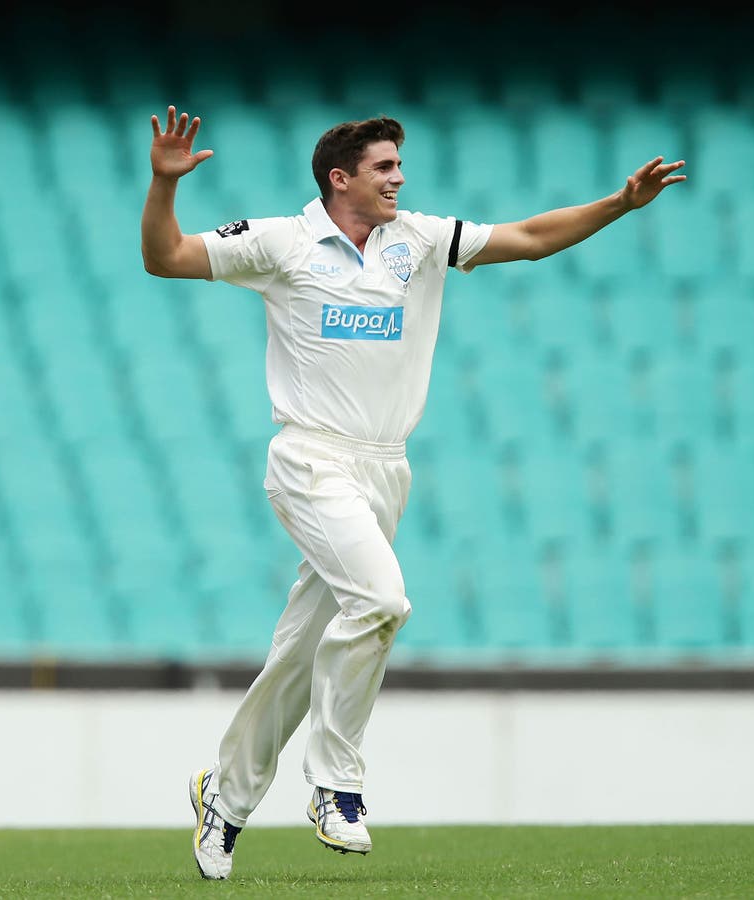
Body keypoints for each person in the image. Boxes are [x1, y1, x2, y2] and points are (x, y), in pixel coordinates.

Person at [141, 104, 685, 881]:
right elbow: (164, 257)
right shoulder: (280, 241)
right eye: (384, 167)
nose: (400, 177)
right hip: (311, 459)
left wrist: (618, 205)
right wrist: (163, 185)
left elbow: (528, 240)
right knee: (384, 603)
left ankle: (223, 799)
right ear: (340, 178)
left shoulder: (420, 239)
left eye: (400, 165)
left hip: (385, 467)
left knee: (302, 656)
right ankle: (337, 785)